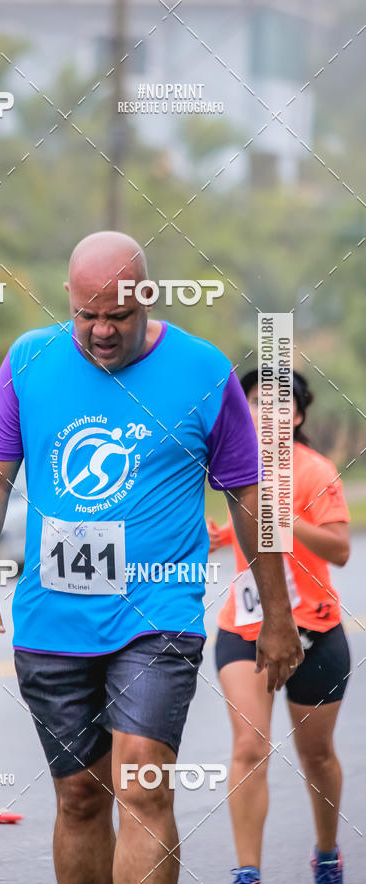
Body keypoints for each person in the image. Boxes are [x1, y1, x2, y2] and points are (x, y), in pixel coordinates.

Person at [0, 231, 303, 884]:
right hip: (52, 618)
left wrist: (277, 616)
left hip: (157, 612)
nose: (102, 331)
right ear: (70, 300)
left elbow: (248, 496)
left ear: (147, 297)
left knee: (142, 782)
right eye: (88, 315)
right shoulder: (30, 360)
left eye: (118, 315)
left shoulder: (203, 371)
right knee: (80, 796)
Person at [209, 369, 351, 884]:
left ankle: (328, 853)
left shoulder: (314, 472)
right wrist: (216, 537)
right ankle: (248, 871)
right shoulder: (233, 470)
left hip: (315, 633)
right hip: (244, 630)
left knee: (316, 756)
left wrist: (283, 517)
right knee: (249, 748)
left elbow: (340, 549)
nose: (263, 414)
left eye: (276, 406)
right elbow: (234, 529)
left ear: (293, 417)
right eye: (252, 404)